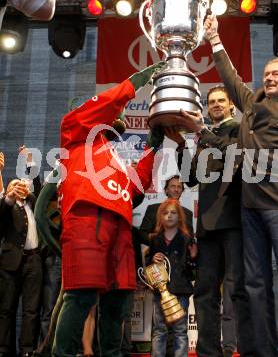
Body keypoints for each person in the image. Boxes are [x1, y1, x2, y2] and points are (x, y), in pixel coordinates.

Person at [197, 14, 278, 357]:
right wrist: (215, 40)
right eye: (267, 72)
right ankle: (262, 352)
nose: (269, 76)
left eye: (277, 73)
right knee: (254, 284)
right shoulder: (251, 104)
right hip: (249, 207)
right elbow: (230, 78)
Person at [52, 62, 165, 357]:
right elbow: (103, 106)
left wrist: (153, 148)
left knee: (119, 300)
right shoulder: (74, 131)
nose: (120, 116)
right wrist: (134, 83)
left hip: (121, 226)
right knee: (81, 295)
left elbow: (136, 187)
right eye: (116, 113)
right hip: (86, 217)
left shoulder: (113, 156)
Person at [165, 85, 252, 357]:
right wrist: (181, 147)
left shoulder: (240, 129)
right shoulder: (203, 138)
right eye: (211, 101)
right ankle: (208, 352)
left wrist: (203, 132)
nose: (215, 105)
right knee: (204, 293)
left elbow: (235, 156)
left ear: (231, 106)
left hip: (235, 221)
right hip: (208, 226)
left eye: (220, 101)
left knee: (238, 290)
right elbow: (191, 178)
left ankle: (246, 349)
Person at [0, 148, 42, 357]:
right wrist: (7, 198)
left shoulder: (34, 203)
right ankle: (3, 349)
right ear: (9, 190)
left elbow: (38, 183)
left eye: (23, 184)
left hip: (34, 262)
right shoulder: (6, 207)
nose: (20, 187)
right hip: (10, 263)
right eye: (15, 185)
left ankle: (27, 350)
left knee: (31, 310)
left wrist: (30, 161)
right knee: (7, 309)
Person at [146, 198, 197, 357]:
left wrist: (193, 258)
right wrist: (153, 259)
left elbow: (192, 270)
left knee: (180, 330)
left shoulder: (186, 239)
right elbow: (148, 266)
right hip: (160, 293)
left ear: (180, 217)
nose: (169, 216)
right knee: (159, 329)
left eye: (173, 213)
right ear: (160, 217)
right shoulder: (155, 239)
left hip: (181, 289)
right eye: (165, 213)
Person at [138, 175, 194, 245]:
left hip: (180, 254)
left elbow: (191, 240)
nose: (176, 189)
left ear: (182, 191)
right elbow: (142, 235)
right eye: (173, 186)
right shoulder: (153, 209)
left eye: (179, 187)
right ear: (166, 190)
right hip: (157, 253)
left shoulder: (188, 213)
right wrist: (158, 241)